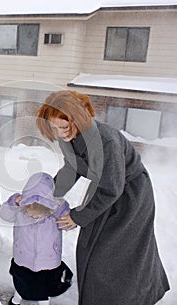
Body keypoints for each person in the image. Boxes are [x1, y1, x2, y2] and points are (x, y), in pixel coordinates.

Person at [35, 90, 170, 305]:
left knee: (112, 255)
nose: (60, 133)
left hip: (131, 197)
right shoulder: (68, 139)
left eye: (64, 126)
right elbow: (72, 168)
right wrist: (47, 196)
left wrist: (77, 217)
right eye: (54, 127)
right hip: (106, 191)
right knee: (90, 247)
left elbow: (112, 188)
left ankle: (135, 298)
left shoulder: (105, 140)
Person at [0, 172, 73, 305]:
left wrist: (59, 208)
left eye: (37, 215)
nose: (32, 216)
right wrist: (14, 202)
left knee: (45, 289)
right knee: (22, 283)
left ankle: (44, 302)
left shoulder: (54, 215)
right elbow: (4, 215)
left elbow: (67, 224)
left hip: (48, 261)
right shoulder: (20, 211)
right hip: (23, 258)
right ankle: (16, 300)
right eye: (30, 214)